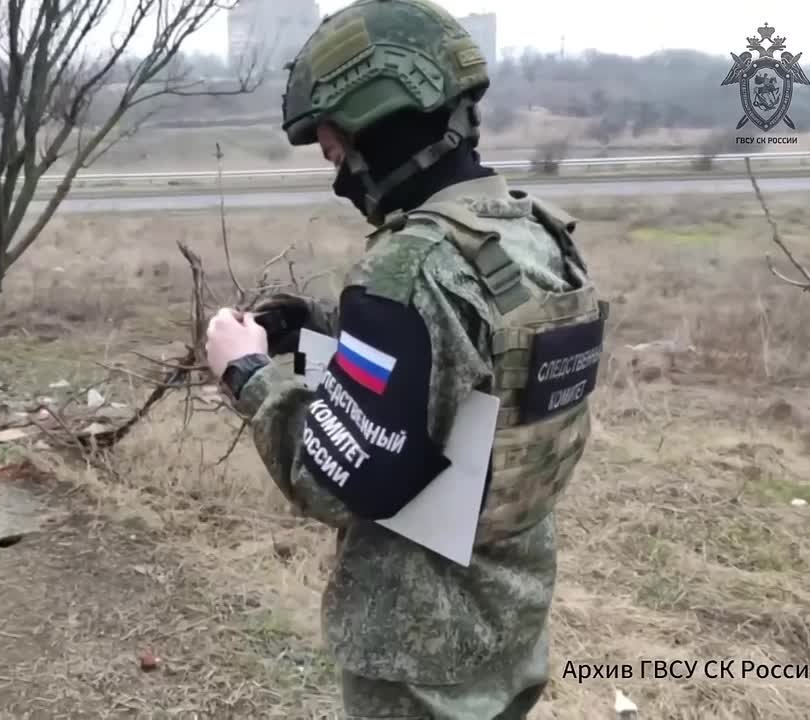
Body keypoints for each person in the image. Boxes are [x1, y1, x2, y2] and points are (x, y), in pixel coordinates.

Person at [203, 1, 610, 718]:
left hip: (420, 656)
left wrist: (249, 376)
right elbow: (468, 369)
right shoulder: (534, 236)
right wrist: (320, 329)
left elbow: (340, 482)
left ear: (376, 124)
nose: (339, 179)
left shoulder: (409, 268)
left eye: (337, 154)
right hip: (510, 623)